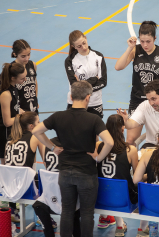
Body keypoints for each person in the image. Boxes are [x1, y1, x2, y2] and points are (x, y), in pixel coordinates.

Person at [32, 81, 114, 237]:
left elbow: (36, 130)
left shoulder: (58, 116)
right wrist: (98, 158)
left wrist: (52, 147)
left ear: (71, 96)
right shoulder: (93, 119)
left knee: (67, 210)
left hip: (65, 173)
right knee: (87, 212)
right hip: (86, 173)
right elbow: (110, 142)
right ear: (88, 98)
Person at [115, 21, 159, 145]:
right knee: (130, 140)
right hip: (137, 100)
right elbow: (118, 67)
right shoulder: (136, 50)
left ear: (154, 39)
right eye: (142, 41)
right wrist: (130, 47)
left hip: (155, 100)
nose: (145, 44)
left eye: (148, 41)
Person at [96, 114, 138, 236]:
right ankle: (137, 227)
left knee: (109, 182)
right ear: (123, 128)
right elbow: (137, 177)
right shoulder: (131, 150)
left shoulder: (98, 146)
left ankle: (107, 218)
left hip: (100, 196)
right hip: (123, 198)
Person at [4, 111, 45, 222]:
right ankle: (43, 217)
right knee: (42, 178)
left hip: (7, 184)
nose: (40, 123)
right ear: (31, 126)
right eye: (38, 122)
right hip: (24, 185)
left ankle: (13, 210)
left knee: (14, 171)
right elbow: (46, 161)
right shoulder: (35, 137)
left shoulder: (10, 138)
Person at [65, 30, 107, 118]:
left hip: (95, 102)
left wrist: (81, 83)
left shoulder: (98, 57)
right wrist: (95, 79)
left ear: (85, 38)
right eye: (79, 46)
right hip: (76, 103)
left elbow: (103, 82)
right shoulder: (69, 61)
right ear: (73, 46)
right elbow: (74, 85)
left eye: (84, 43)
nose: (83, 47)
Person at [0, 39, 39, 113]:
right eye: (23, 56)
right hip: (19, 113)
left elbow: (34, 83)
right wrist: (14, 109)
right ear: (15, 54)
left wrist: (35, 99)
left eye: (29, 54)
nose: (27, 58)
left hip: (32, 111)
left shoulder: (32, 65)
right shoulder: (10, 69)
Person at [0, 62, 27, 164]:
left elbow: (14, 108)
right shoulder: (5, 94)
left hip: (12, 131)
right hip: (4, 134)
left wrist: (21, 111)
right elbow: (7, 122)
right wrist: (22, 116)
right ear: (13, 78)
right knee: (6, 164)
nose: (25, 80)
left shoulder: (14, 88)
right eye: (22, 78)